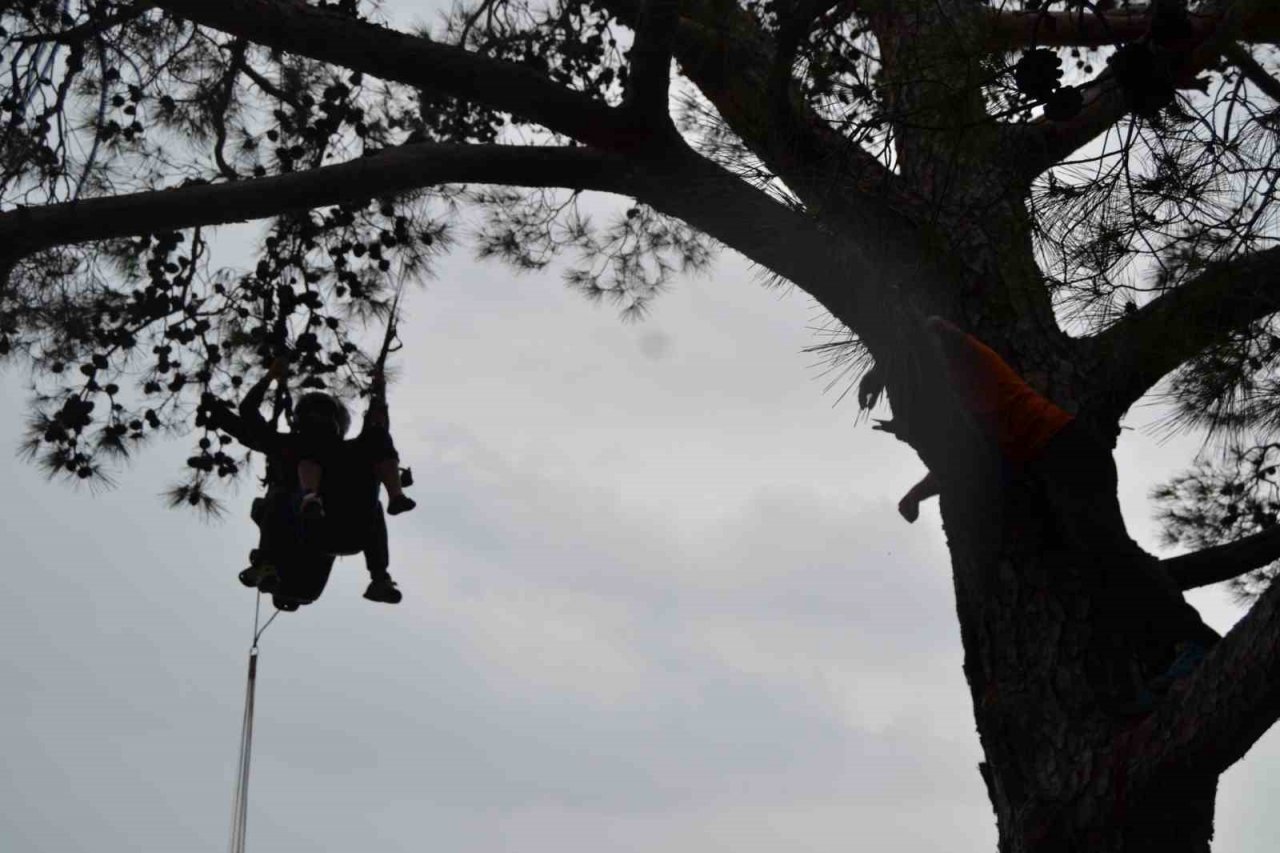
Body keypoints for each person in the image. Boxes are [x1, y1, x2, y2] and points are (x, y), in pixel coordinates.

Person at [888, 316, 1217, 712]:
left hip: (1067, 452)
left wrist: (883, 368)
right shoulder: (962, 411)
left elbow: (934, 327)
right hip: (1061, 461)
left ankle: (1196, 642)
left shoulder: (964, 366)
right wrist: (914, 496)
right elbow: (956, 464)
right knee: (1100, 570)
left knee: (1112, 556)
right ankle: (1161, 665)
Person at [205, 357, 409, 605]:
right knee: (282, 494)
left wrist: (268, 379)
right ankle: (379, 575)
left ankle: (392, 506)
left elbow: (247, 418)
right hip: (336, 531)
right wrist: (379, 392)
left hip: (328, 529)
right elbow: (246, 423)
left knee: (279, 494)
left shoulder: (293, 447)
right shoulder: (339, 449)